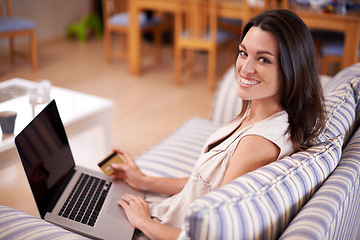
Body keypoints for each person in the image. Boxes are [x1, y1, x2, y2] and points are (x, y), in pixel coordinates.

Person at [111, 9, 326, 240]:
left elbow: (209, 234)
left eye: (263, 59)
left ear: (292, 69)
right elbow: (204, 186)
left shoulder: (257, 144)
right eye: (243, 53)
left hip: (161, 230)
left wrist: (143, 222)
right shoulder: (267, 117)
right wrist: (143, 180)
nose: (246, 68)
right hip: (164, 215)